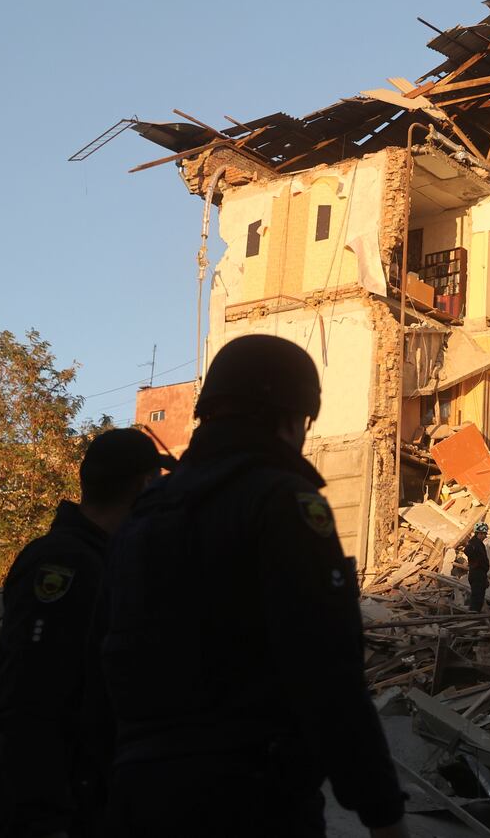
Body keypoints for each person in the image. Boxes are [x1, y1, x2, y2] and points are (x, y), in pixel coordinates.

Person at [100, 334, 406, 837]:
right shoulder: (282, 502)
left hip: (138, 796)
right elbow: (327, 671)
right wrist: (383, 813)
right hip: (247, 798)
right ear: (291, 417)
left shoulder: (144, 514)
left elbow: (102, 660)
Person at [0, 428, 166, 838]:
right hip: (50, 805)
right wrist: (47, 814)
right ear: (144, 486)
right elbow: (30, 696)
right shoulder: (67, 564)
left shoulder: (99, 558)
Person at [463, 521, 490, 612]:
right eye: (483, 534)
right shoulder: (473, 543)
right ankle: (473, 614)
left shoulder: (479, 544)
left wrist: (485, 577)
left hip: (481, 574)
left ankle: (476, 613)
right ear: (478, 533)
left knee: (480, 596)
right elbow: (467, 551)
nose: (484, 536)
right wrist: (476, 561)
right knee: (477, 596)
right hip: (476, 573)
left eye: (485, 534)